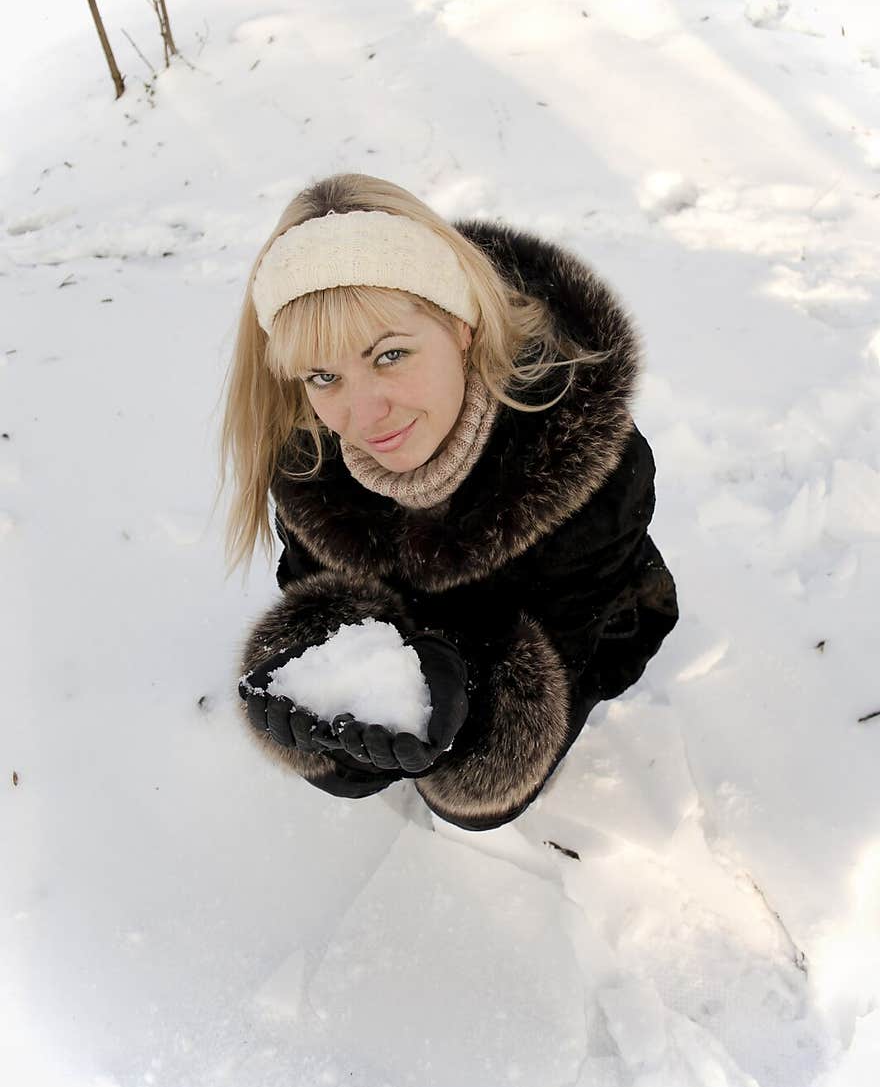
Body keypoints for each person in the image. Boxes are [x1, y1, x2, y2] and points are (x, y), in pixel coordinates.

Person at [216, 173, 679, 831]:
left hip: (581, 623)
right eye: (324, 375)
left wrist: (474, 694)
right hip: (432, 619)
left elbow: (571, 643)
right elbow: (310, 586)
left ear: (461, 327)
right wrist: (332, 691)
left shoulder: (584, 460)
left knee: (473, 802)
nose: (364, 412)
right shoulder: (311, 463)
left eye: (390, 354)